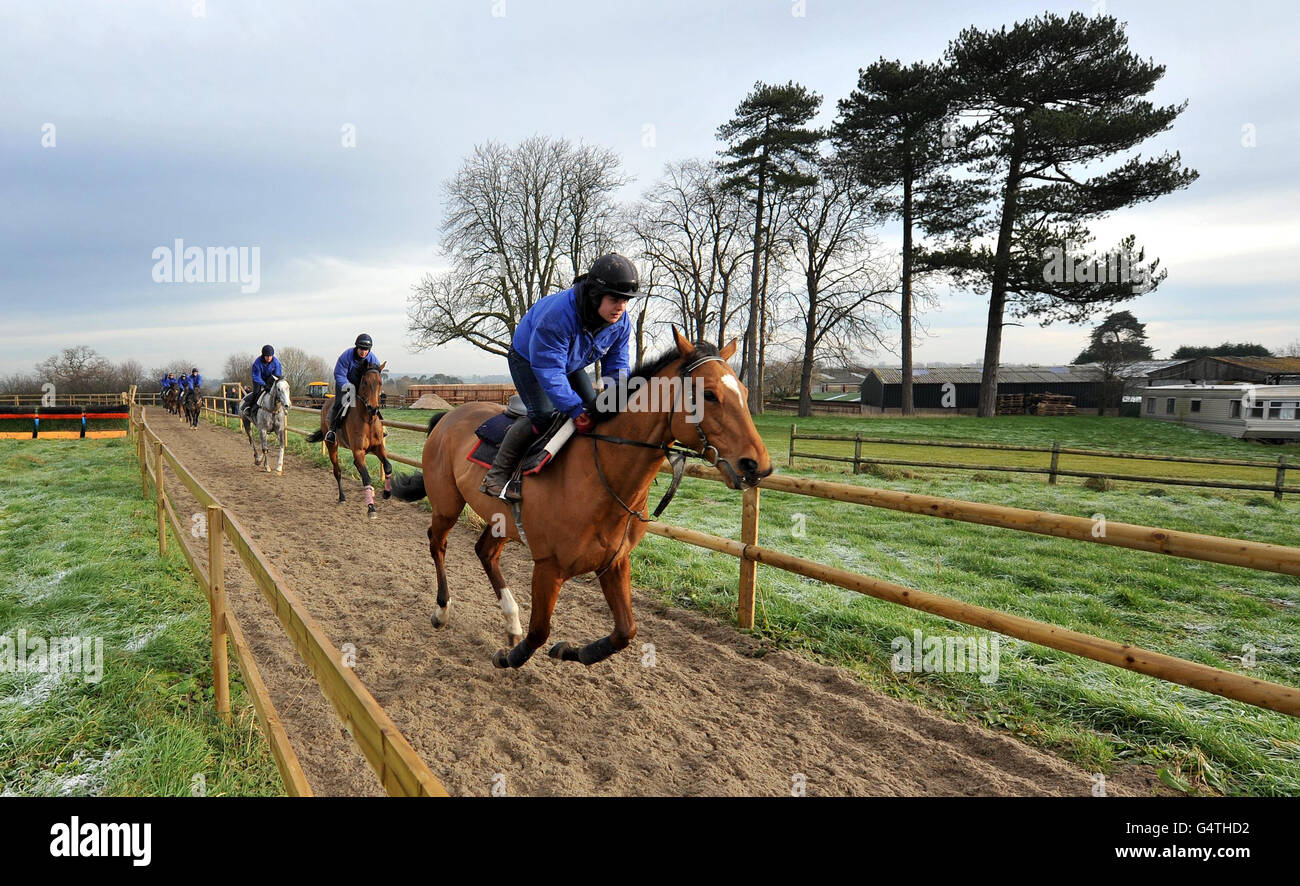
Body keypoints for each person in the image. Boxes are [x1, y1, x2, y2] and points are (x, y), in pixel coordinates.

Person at [479, 252, 637, 501]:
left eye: (626, 300)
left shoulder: (621, 322)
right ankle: (496, 477)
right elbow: (549, 369)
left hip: (568, 363)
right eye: (615, 298)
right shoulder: (559, 315)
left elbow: (616, 365)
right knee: (543, 413)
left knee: (594, 410)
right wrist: (574, 409)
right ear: (595, 295)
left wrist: (617, 400)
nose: (621, 307)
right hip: (529, 359)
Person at [325, 334, 381, 444]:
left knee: (372, 404)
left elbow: (376, 375)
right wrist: (349, 387)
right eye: (361, 349)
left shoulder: (373, 359)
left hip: (363, 386)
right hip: (345, 383)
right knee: (340, 404)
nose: (363, 352)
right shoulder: (346, 356)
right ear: (356, 347)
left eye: (366, 350)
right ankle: (332, 431)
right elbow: (339, 374)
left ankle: (379, 428)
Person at [242, 345, 283, 420]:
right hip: (258, 379)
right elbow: (256, 376)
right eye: (267, 356)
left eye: (270, 356)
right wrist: (264, 385)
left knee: (277, 392)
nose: (269, 358)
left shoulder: (276, 362)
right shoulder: (257, 363)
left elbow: (277, 374)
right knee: (256, 392)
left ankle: (282, 408)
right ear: (263, 355)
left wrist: (271, 383)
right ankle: (250, 408)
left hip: (270, 378)